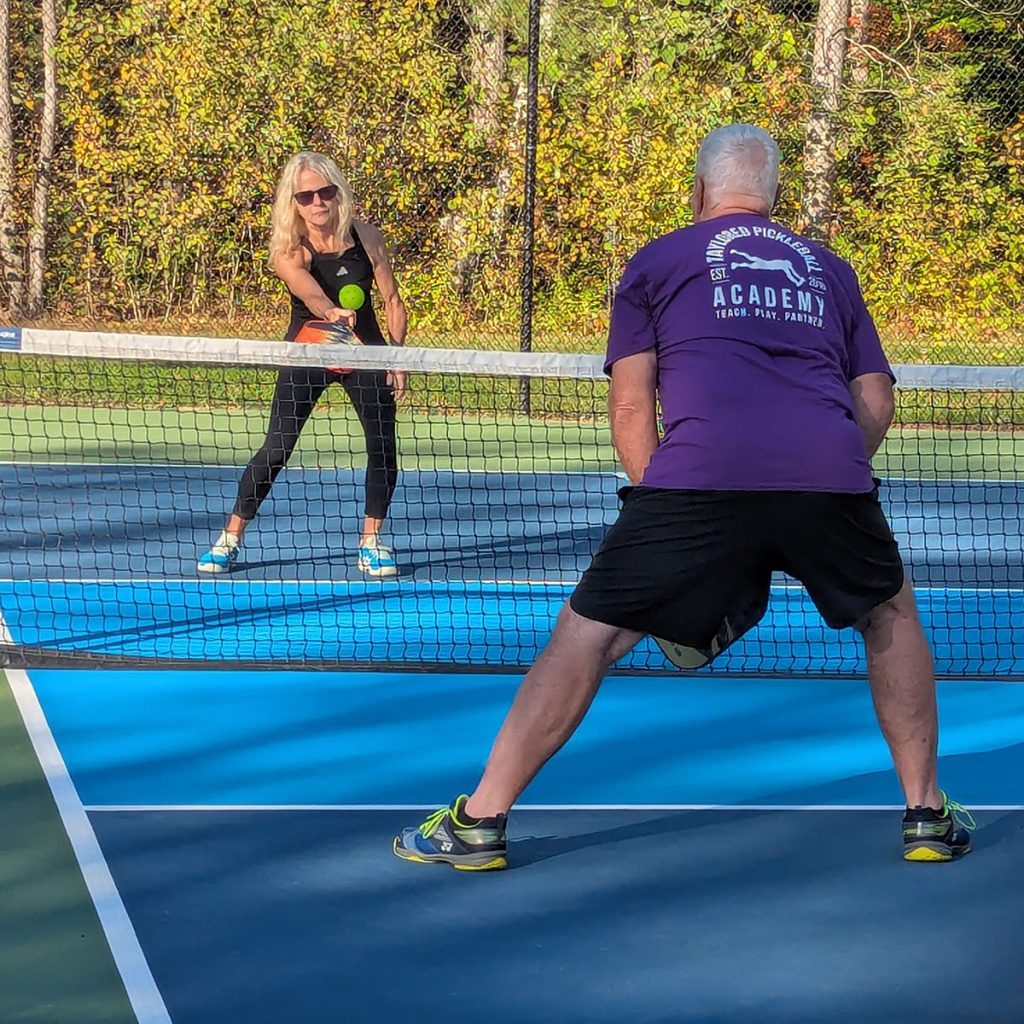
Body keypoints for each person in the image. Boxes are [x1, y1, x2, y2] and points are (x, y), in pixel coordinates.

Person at [392, 124, 974, 871]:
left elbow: (632, 407)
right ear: (774, 198)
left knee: (587, 636)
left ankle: (480, 823)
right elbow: (877, 401)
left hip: (696, 477)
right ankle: (927, 815)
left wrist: (654, 507)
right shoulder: (831, 268)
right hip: (830, 476)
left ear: (699, 191)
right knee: (888, 613)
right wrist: (820, 474)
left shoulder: (658, 259)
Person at [198, 151, 408, 577]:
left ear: (338, 192)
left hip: (366, 351)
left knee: (383, 448)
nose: (318, 202)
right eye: (306, 195)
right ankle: (230, 537)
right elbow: (307, 290)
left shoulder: (367, 237)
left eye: (325, 192)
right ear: (293, 202)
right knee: (277, 447)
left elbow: (391, 301)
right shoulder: (289, 250)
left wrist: (397, 356)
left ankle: (370, 542)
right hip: (308, 350)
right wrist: (329, 312)